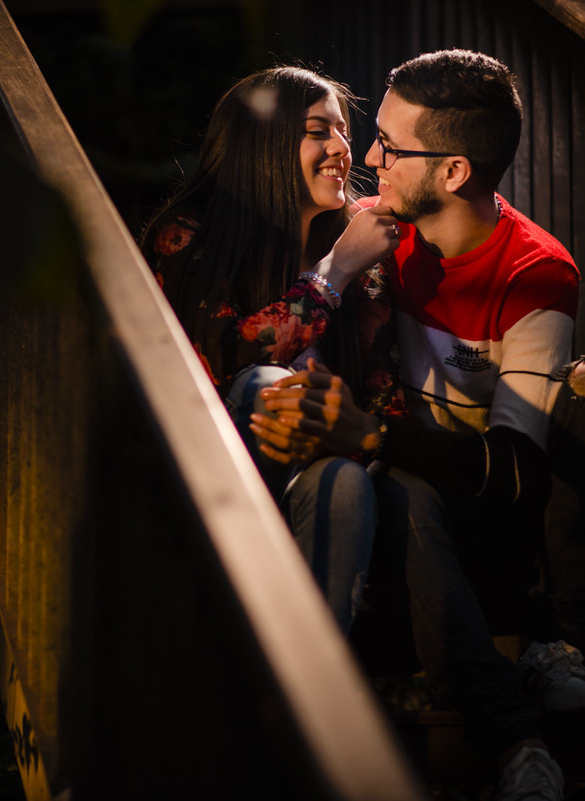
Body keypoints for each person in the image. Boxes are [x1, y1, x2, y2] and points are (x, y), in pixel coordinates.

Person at [256, 49, 585, 801]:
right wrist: (334, 270)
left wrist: (368, 433)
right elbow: (258, 339)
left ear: (453, 173)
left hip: (492, 518)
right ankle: (515, 732)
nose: (369, 158)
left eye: (391, 148)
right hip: (403, 512)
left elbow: (514, 467)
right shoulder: (374, 233)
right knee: (403, 485)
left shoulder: (535, 269)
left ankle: (557, 639)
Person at [138, 66, 406, 630]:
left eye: (344, 133)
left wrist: (352, 433)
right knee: (263, 385)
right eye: (317, 131)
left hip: (313, 494)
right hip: (207, 494)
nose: (341, 149)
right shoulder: (188, 238)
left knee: (346, 482)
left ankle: (312, 690)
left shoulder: (361, 256)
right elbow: (228, 363)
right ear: (263, 143)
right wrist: (333, 273)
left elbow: (384, 396)